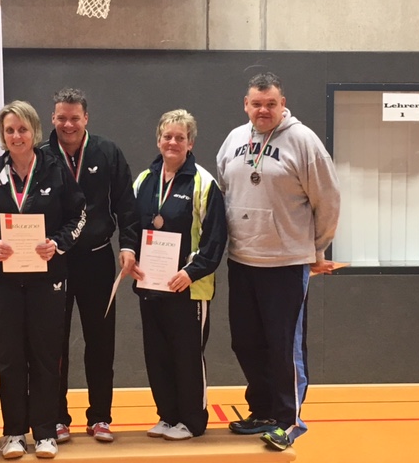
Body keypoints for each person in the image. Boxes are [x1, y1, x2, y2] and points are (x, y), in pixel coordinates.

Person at [216, 73, 340, 451]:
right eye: (257, 104)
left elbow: (328, 200)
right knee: (246, 342)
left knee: (284, 346)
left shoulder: (303, 141)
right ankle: (263, 411)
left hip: (286, 263)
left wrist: (315, 249)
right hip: (242, 259)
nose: (263, 110)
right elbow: (224, 189)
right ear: (246, 105)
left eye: (271, 104)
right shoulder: (234, 139)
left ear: (282, 104)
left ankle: (289, 420)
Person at [0, 100, 86, 460]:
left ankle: (45, 431)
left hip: (47, 278)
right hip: (2, 279)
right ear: (3, 135)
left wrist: (57, 244)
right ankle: (14, 431)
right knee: (10, 354)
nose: (16, 136)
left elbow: (78, 215)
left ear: (34, 131)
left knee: (46, 353)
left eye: (22, 129)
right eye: (10, 130)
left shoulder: (55, 169)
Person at [40, 88, 137, 443]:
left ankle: (100, 417)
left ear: (86, 118)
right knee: (54, 343)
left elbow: (126, 204)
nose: (68, 124)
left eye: (74, 118)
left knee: (100, 341)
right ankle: (57, 418)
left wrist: (129, 246)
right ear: (53, 118)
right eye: (61, 118)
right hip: (54, 262)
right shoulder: (41, 156)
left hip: (97, 258)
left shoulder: (107, 152)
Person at [130, 109, 227, 441]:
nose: (172, 142)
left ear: (190, 143)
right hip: (151, 285)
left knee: (187, 355)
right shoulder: (144, 180)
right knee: (157, 354)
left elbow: (215, 239)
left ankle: (192, 421)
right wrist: (131, 256)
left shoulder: (204, 183)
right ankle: (167, 416)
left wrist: (190, 272)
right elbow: (133, 227)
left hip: (189, 288)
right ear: (158, 140)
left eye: (180, 137)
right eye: (167, 136)